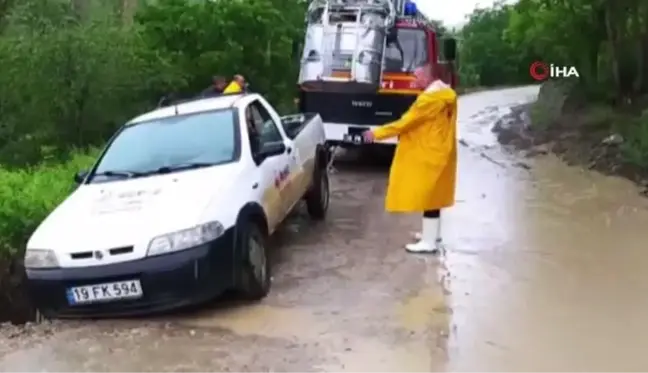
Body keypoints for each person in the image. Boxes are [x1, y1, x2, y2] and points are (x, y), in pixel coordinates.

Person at [362, 64, 457, 253]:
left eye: (418, 77)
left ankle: (428, 243)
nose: (415, 81)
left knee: (428, 195)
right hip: (440, 148)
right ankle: (432, 233)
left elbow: (406, 122)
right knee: (433, 194)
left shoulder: (429, 100)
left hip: (428, 151)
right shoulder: (445, 94)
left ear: (428, 78)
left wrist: (376, 134)